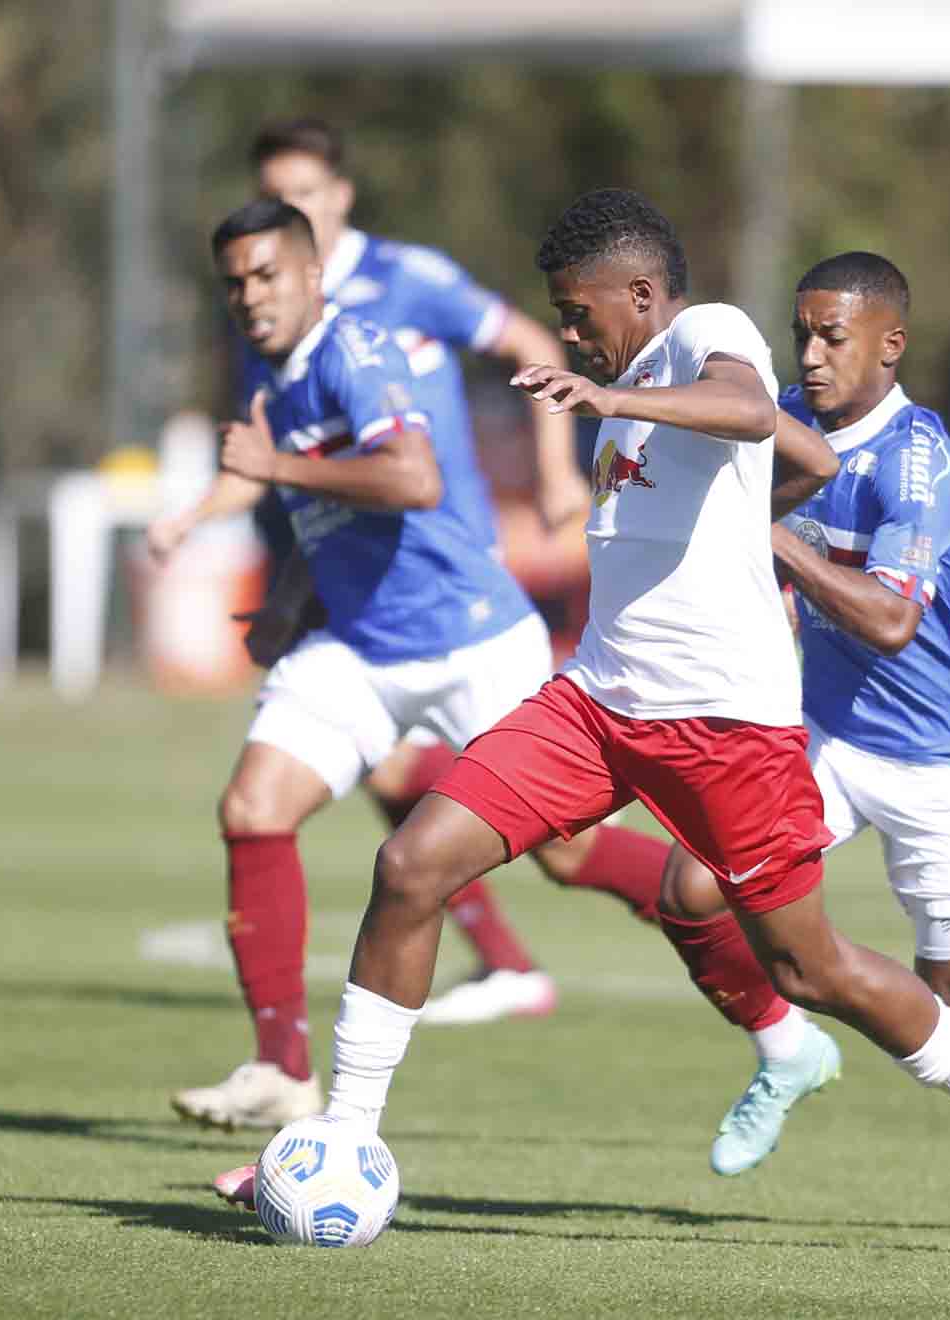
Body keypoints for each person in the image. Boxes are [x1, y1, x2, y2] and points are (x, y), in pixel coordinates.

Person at [225, 189, 950, 1237]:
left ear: (638, 294)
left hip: (729, 727)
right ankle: (348, 1134)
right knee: (410, 866)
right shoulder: (627, 382)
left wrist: (610, 402)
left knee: (808, 969)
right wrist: (730, 487)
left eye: (578, 311)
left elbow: (745, 408)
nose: (570, 331)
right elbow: (795, 457)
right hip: (595, 702)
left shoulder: (700, 338)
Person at [149, 198, 671, 1131]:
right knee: (253, 810)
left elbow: (411, 478)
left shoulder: (358, 351)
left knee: (570, 851)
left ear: (314, 273)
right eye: (235, 282)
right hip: (359, 645)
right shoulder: (275, 367)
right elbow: (318, 503)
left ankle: (742, 952)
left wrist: (276, 470)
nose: (250, 296)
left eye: (267, 275)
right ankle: (281, 1070)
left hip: (472, 639)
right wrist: (280, 600)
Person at [652, 252, 950, 1239]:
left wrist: (771, 538)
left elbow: (886, 621)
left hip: (942, 765)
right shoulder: (785, 414)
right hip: (821, 736)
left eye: (833, 336)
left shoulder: (919, 459)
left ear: (889, 344)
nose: (812, 355)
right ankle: (785, 1047)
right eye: (802, 333)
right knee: (688, 889)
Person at [244, 116, 624, 1026]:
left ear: (339, 196)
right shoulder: (261, 305)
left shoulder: (406, 281)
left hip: (455, 583)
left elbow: (533, 347)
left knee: (566, 843)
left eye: (303, 193)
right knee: (369, 779)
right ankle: (493, 968)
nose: (288, 212)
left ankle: (753, 949)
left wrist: (559, 469)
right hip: (366, 602)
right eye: (273, 197)